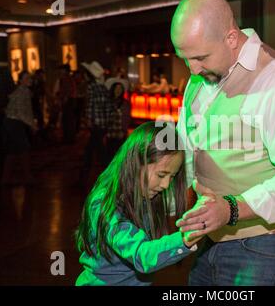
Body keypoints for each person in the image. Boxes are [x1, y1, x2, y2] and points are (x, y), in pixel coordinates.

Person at [172, 0, 275, 286]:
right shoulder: (199, 77)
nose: (192, 70)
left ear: (231, 38)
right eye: (185, 58)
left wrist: (230, 208)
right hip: (209, 240)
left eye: (200, 57)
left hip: (266, 247)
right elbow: (190, 147)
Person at [75, 121, 201, 286]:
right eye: (162, 174)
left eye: (172, 177)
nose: (165, 185)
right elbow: (143, 255)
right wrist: (186, 237)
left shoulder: (145, 195)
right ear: (136, 162)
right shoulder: (104, 203)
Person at [79, 61, 113, 185]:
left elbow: (90, 105)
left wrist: (88, 120)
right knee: (91, 150)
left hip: (95, 124)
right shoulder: (104, 88)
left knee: (99, 152)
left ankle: (111, 177)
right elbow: (109, 108)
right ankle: (83, 177)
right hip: (103, 124)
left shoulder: (91, 87)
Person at [1, 71, 36, 185]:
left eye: (30, 78)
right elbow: (21, 112)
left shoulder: (24, 91)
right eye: (26, 78)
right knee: (24, 149)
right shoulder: (22, 92)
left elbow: (26, 111)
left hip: (11, 122)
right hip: (14, 122)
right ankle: (28, 178)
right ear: (20, 80)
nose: (29, 80)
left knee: (12, 151)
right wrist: (31, 125)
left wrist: (31, 123)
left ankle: (5, 180)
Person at [104, 80, 131, 163]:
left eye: (120, 88)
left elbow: (127, 118)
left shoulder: (125, 103)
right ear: (113, 89)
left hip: (120, 132)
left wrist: (124, 131)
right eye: (116, 88)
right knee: (109, 155)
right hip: (109, 132)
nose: (118, 90)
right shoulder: (107, 102)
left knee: (120, 156)